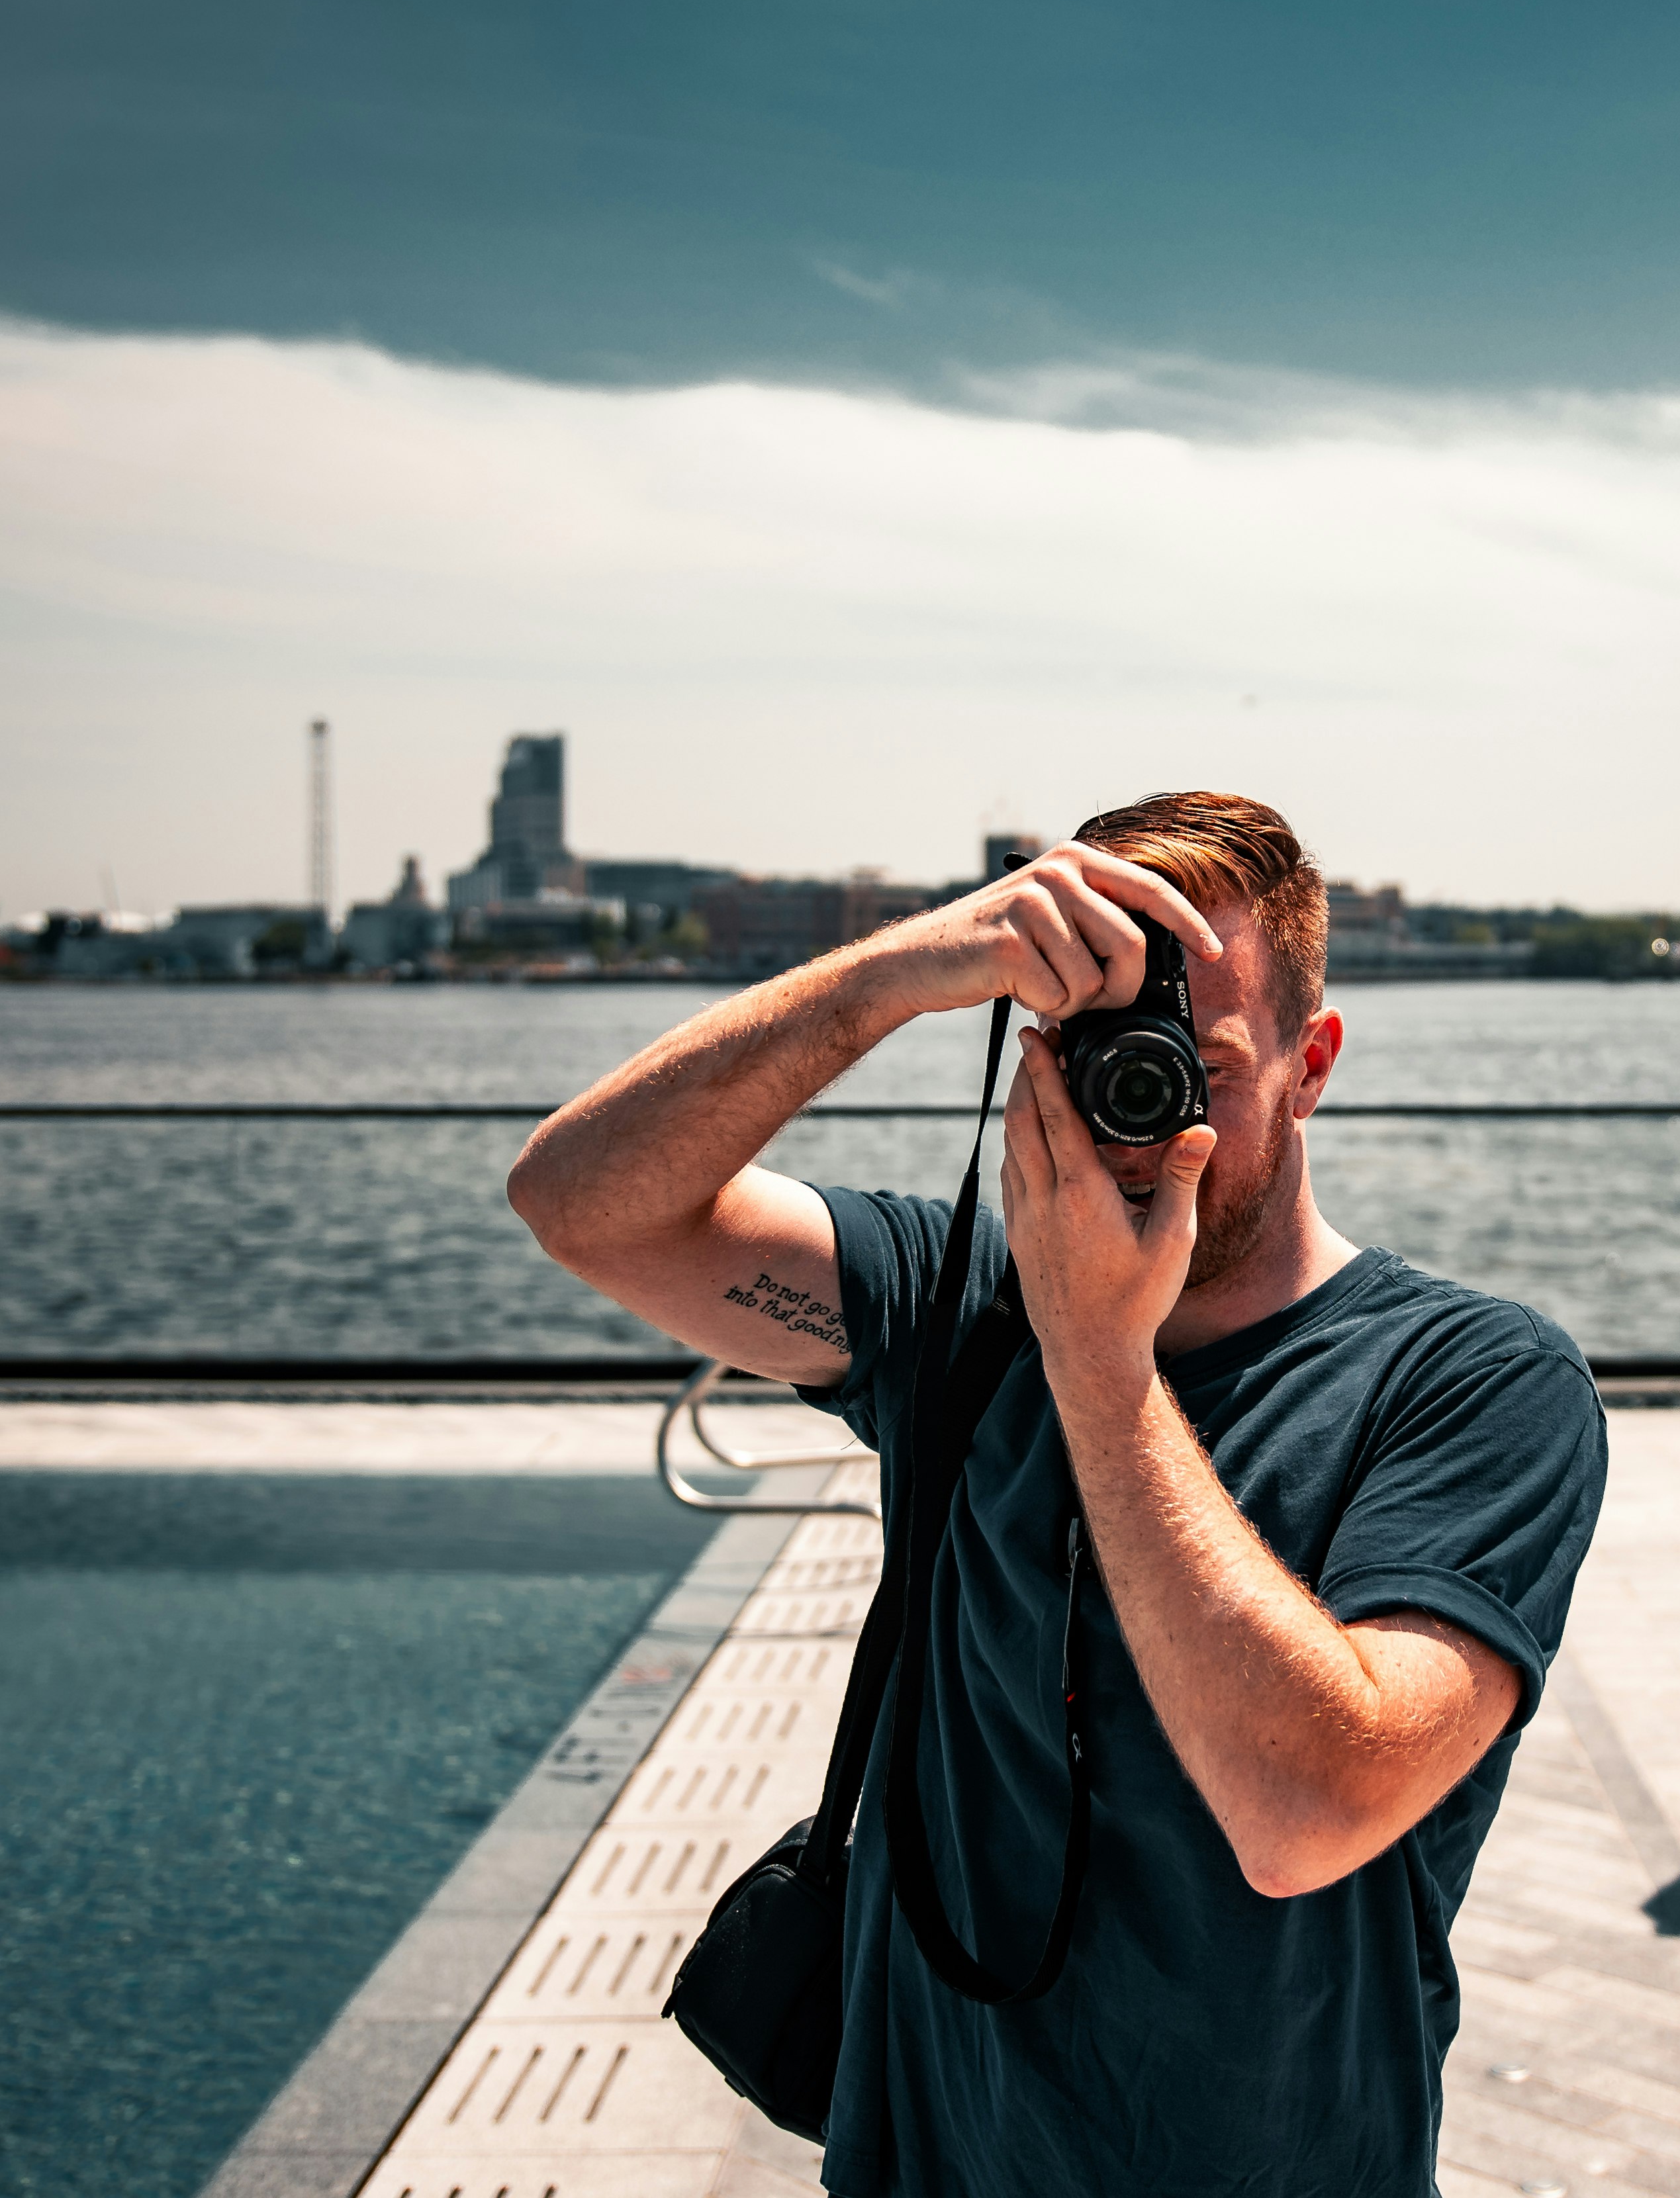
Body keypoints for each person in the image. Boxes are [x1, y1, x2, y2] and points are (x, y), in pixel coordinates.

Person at [508, 791, 1607, 2198]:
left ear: (1310, 1062)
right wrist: (896, 973)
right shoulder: (957, 1300)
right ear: (1039, 1060)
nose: (1146, 1118)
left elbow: (1307, 1809)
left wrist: (1100, 1358)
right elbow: (580, 1202)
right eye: (1110, 1061)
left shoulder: (1471, 1380)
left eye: (1197, 1063)